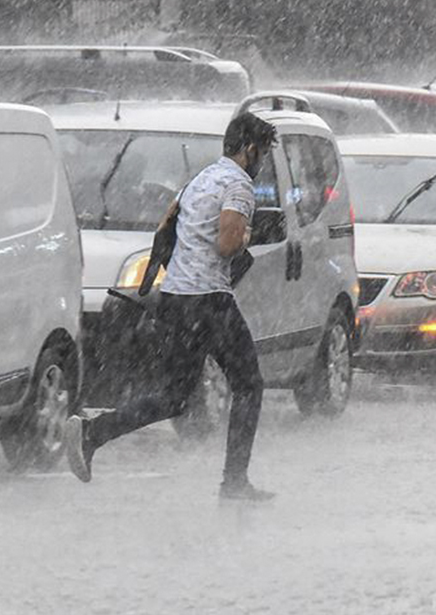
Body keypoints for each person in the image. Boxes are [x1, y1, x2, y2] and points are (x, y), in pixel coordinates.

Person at [63, 112, 277, 501]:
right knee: (249, 385)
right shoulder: (238, 184)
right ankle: (234, 482)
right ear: (249, 149)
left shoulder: (199, 180)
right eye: (261, 153)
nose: (260, 162)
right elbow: (227, 245)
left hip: (176, 297)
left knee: (174, 396)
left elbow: (165, 227)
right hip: (209, 299)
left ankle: (92, 433)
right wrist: (247, 234)